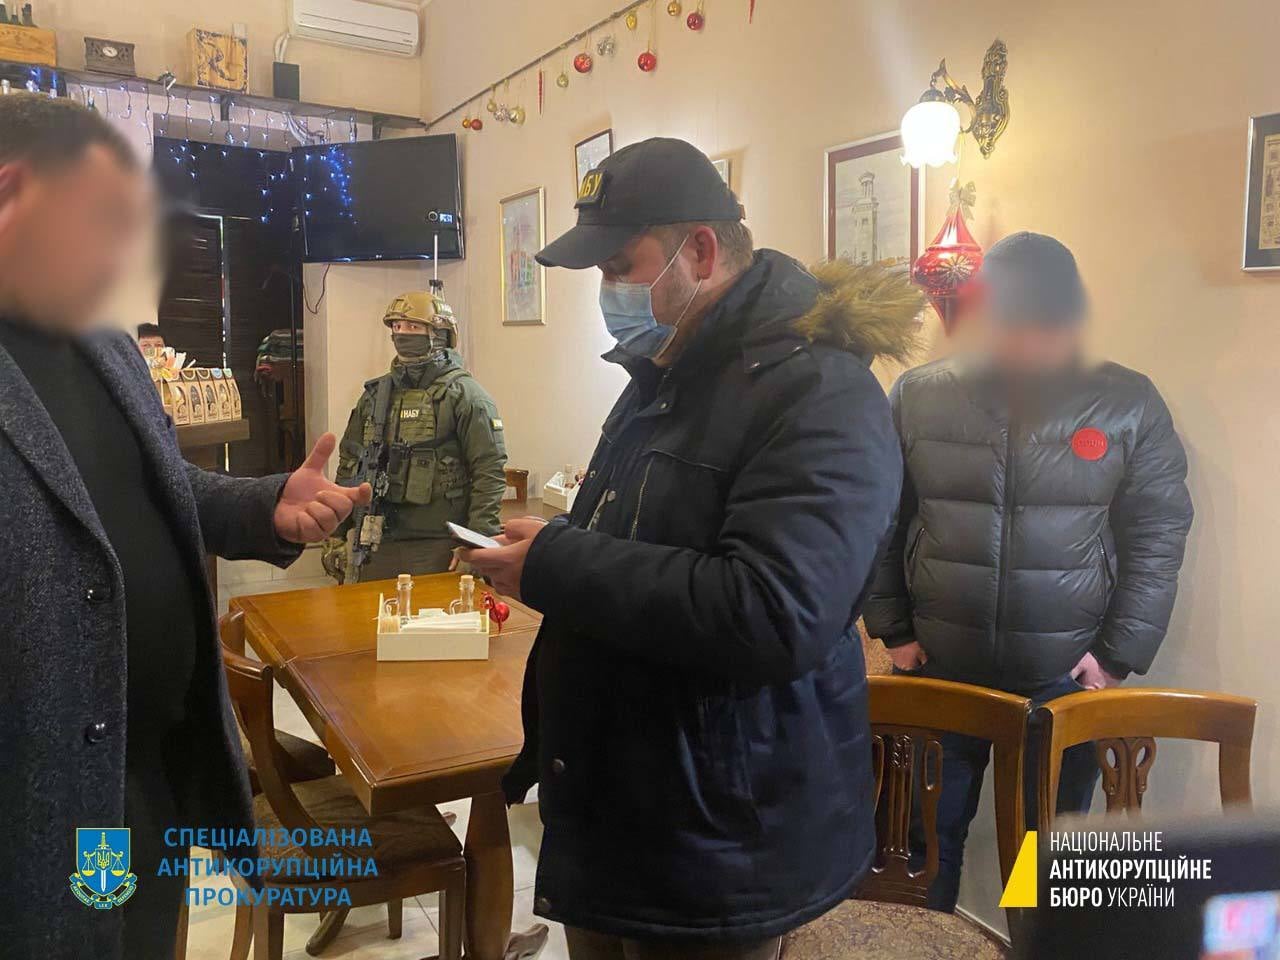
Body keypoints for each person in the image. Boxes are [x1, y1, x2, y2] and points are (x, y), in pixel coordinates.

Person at [462, 137, 921, 958]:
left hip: (721, 841)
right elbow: (645, 541)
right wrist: (558, 543)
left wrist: (557, 564)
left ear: (700, 251)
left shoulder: (818, 392)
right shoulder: (668, 372)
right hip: (628, 813)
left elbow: (773, 611)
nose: (608, 292)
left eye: (619, 266)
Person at [0, 94, 371, 959]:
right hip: (32, 803)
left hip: (145, 775)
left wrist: (266, 505)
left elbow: (161, 488)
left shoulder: (102, 340)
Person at [862, 231, 1194, 912]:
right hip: (939, 665)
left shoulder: (1127, 402)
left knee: (1048, 859)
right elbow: (880, 517)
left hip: (1064, 678)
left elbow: (1158, 532)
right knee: (921, 847)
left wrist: (1116, 656)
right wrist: (893, 629)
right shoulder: (918, 395)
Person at [324, 288, 507, 582]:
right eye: (397, 327)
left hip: (440, 544)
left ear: (440, 333)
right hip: (376, 540)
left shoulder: (466, 396)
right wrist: (337, 530)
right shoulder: (375, 395)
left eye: (412, 327)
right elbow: (351, 463)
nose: (401, 334)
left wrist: (478, 543)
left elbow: (489, 472)